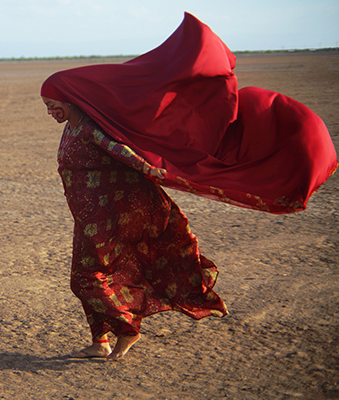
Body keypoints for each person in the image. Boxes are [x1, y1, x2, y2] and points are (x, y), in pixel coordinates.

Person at [40, 13, 336, 360]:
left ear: (69, 99)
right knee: (90, 275)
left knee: (87, 278)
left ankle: (126, 331)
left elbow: (123, 152)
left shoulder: (91, 128)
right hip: (88, 218)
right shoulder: (71, 129)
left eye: (53, 105)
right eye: (47, 107)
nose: (51, 112)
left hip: (115, 215)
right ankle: (100, 341)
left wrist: (156, 170)